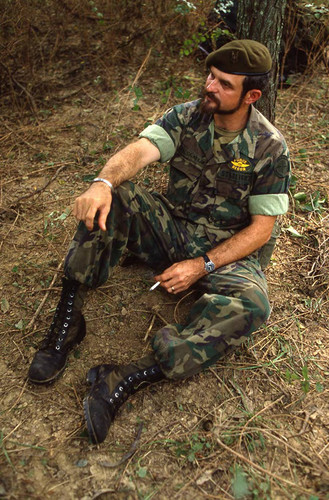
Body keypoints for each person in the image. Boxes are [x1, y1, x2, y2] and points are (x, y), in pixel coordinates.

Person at [27, 40, 291, 444]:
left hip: (227, 251)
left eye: (223, 84)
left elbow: (260, 230)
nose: (210, 87)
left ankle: (129, 376)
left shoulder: (269, 147)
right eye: (210, 77)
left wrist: (202, 266)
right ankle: (69, 319)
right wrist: (101, 182)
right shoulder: (188, 116)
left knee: (254, 304)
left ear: (251, 95)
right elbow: (140, 151)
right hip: (173, 229)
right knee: (114, 199)